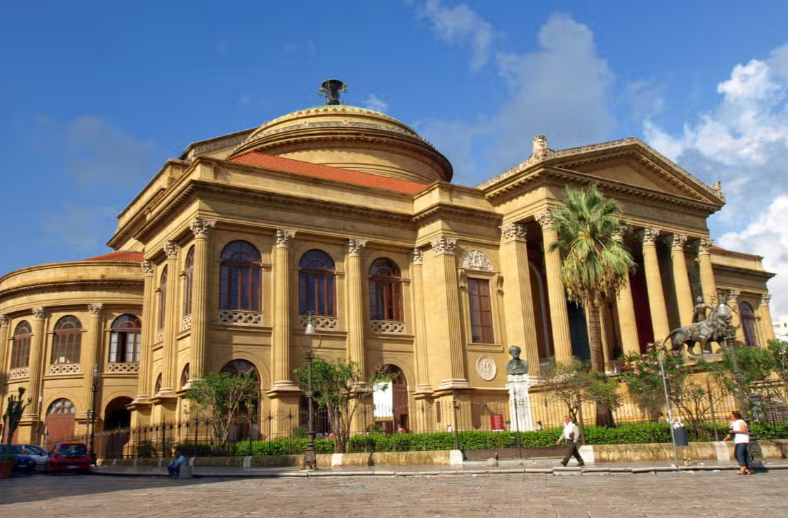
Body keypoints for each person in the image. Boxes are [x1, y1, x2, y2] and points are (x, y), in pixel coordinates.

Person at [724, 411, 754, 475]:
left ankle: (743, 468)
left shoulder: (740, 422)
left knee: (739, 454)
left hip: (743, 440)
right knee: (744, 454)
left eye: (732, 416)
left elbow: (743, 430)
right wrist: (728, 436)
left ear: (736, 416)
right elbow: (731, 432)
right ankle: (749, 468)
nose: (731, 417)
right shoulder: (734, 423)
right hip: (738, 440)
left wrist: (734, 430)